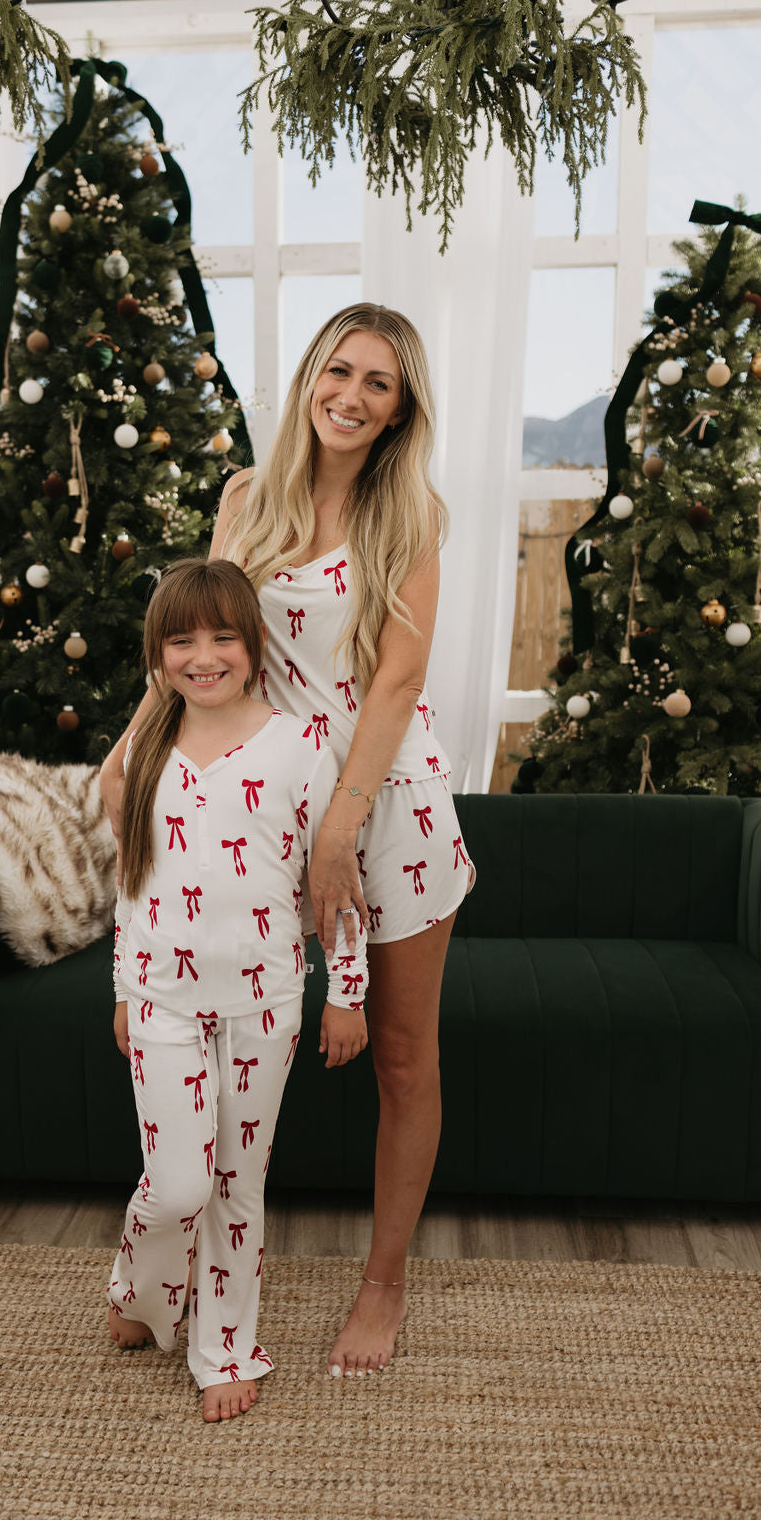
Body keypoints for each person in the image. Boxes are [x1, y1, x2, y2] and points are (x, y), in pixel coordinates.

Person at [213, 303, 473, 1379]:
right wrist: (136, 749)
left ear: (401, 407)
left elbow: (398, 679)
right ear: (311, 373)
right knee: (235, 1036)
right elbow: (200, 638)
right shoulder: (245, 497)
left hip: (387, 801)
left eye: (379, 382)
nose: (351, 395)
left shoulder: (411, 513)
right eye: (340, 369)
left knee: (404, 1058)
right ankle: (191, 1259)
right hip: (263, 804)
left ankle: (384, 1282)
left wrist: (341, 826)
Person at [105, 557, 368, 1423]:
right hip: (161, 998)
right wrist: (122, 987)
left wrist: (348, 990)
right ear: (158, 653)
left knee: (237, 1179)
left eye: (222, 636)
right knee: (178, 1182)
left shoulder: (298, 746)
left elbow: (336, 879)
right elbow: (132, 882)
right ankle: (140, 1285)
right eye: (181, 639)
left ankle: (224, 1348)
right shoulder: (144, 749)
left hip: (266, 1000)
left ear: (254, 647)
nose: (203, 655)